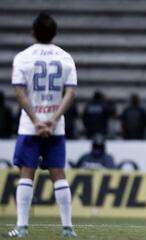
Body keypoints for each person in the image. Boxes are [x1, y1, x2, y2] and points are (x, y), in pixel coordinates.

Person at [6, 13, 77, 237]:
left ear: (33, 32)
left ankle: (22, 227)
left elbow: (19, 92)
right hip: (55, 126)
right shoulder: (66, 57)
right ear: (55, 33)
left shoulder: (22, 57)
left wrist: (37, 121)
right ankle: (67, 228)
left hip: (30, 126)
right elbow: (71, 93)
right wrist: (52, 120)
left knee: (26, 172)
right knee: (58, 173)